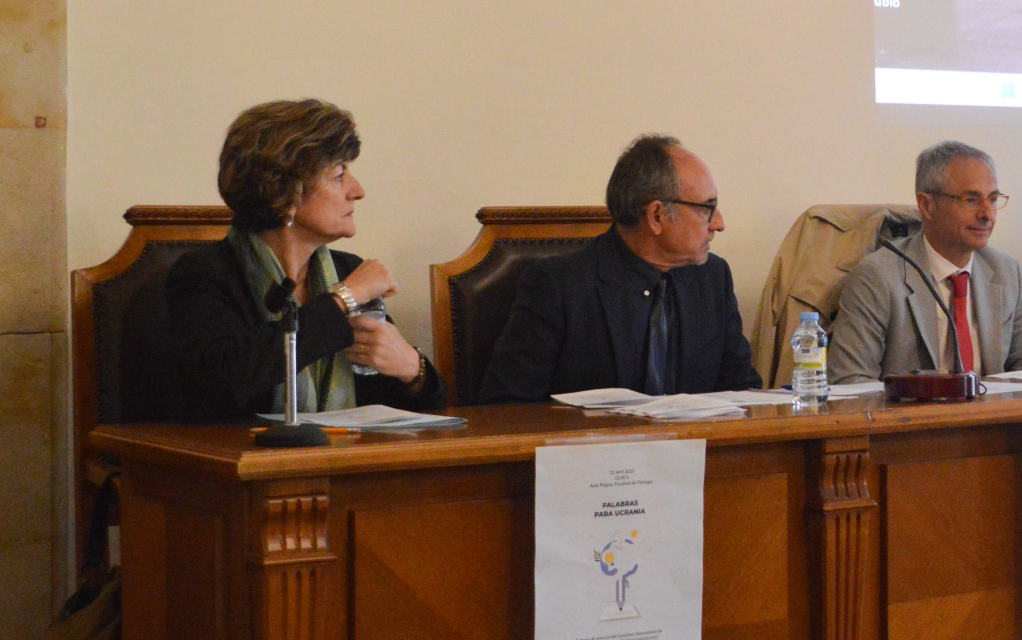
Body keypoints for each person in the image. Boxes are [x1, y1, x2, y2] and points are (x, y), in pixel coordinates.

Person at [167, 99, 444, 422]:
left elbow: (419, 412)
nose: (357, 190)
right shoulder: (204, 275)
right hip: (248, 464)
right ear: (285, 192)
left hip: (348, 463)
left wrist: (412, 370)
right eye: (339, 175)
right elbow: (229, 379)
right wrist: (343, 298)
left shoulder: (347, 269)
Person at [482, 134, 760, 401]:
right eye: (706, 208)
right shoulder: (559, 286)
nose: (718, 223)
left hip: (700, 447)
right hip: (593, 448)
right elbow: (508, 407)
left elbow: (741, 390)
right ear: (656, 216)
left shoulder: (713, 278)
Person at [828, 141, 1022, 383]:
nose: (988, 214)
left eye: (993, 199)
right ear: (927, 205)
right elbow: (849, 381)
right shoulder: (877, 276)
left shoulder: (1006, 272)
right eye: (971, 200)